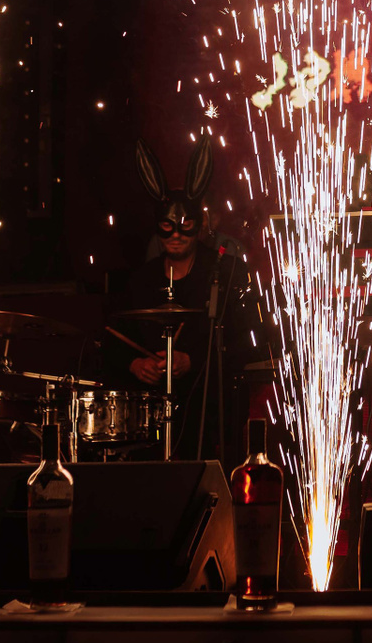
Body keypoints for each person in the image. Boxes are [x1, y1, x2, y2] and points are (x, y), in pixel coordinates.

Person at [104, 133, 264, 453]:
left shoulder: (227, 272)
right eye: (167, 226)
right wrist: (135, 364)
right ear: (157, 227)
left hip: (212, 414)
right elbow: (110, 341)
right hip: (150, 420)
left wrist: (193, 361)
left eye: (185, 225)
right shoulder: (141, 281)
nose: (176, 235)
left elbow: (252, 341)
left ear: (200, 224)